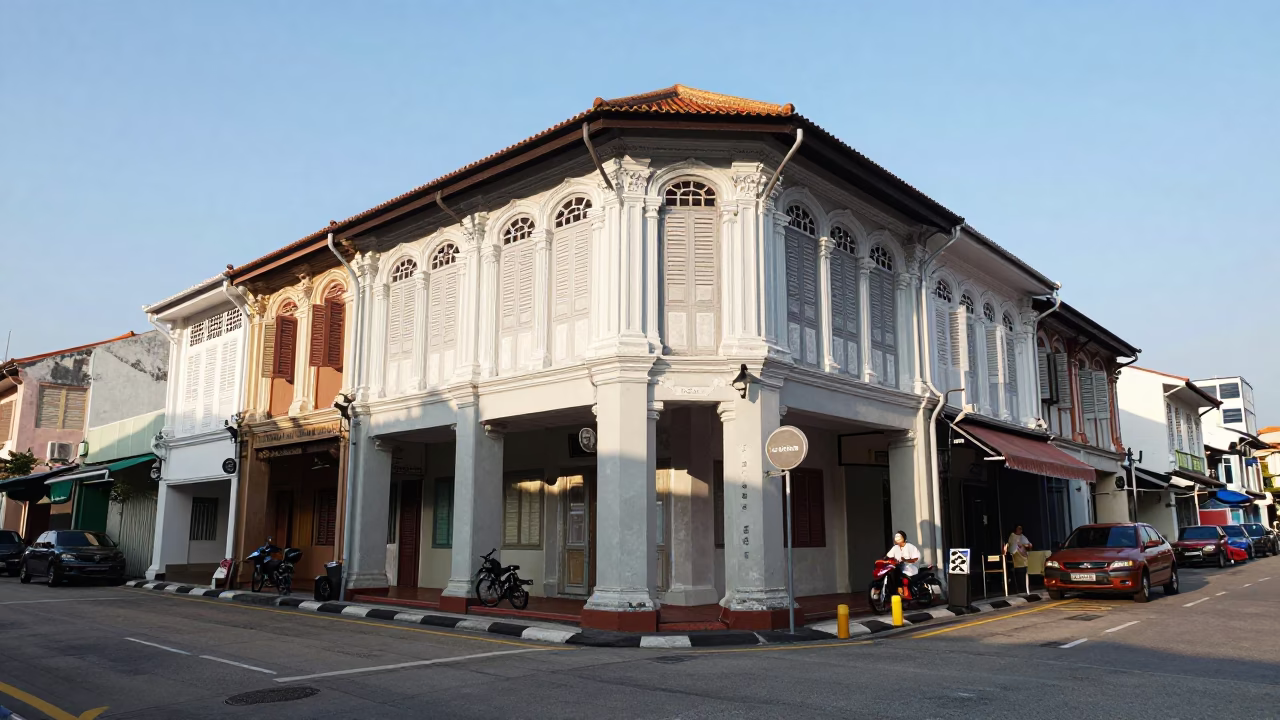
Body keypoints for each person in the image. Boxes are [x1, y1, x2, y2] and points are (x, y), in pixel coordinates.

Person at [886, 530, 921, 596]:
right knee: (893, 571)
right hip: (899, 567)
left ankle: (902, 589)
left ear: (904, 538)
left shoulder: (910, 546)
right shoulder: (895, 548)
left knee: (898, 572)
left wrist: (906, 560)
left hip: (910, 568)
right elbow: (888, 556)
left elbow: (916, 558)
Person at [1006, 525, 1032, 593]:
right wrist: (1018, 546)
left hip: (1024, 560)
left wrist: (1028, 545)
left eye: (1021, 529)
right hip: (1017, 561)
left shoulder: (1022, 537)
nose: (1020, 530)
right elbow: (1012, 548)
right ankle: (1020, 590)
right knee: (1019, 576)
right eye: (1018, 529)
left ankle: (1025, 589)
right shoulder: (1012, 536)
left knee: (1024, 576)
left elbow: (1028, 544)